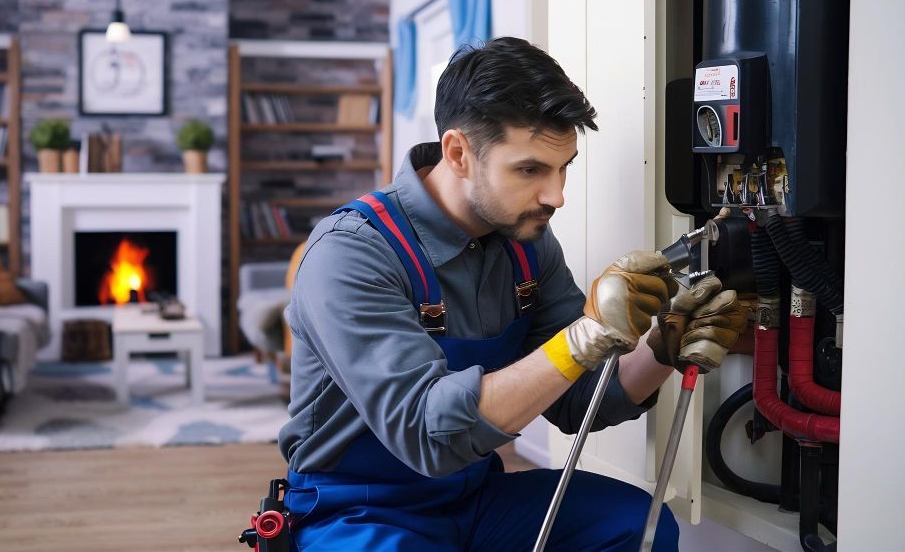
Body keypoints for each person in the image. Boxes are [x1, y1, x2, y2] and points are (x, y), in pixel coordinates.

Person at [278, 37, 747, 551]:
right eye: (530, 170)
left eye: (564, 166)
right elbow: (425, 436)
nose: (556, 195)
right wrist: (583, 337)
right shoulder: (351, 254)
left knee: (639, 528)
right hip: (359, 508)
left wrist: (661, 347)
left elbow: (578, 400)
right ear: (458, 152)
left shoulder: (528, 245)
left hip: (475, 497)